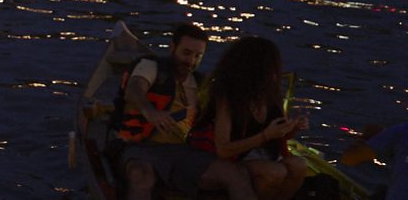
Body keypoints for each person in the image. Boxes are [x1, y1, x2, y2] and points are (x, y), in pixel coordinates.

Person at [110, 24, 256, 200]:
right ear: (172, 47)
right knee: (141, 176)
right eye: (186, 53)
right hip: (138, 147)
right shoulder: (151, 67)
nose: (191, 61)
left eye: (198, 56)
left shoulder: (200, 84)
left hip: (182, 152)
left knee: (236, 174)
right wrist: (150, 111)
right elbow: (134, 90)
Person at [187, 37, 308, 200]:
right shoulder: (228, 97)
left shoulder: (270, 95)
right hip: (233, 158)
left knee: (299, 165)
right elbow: (223, 150)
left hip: (264, 154)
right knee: (274, 172)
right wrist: (265, 136)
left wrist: (291, 129)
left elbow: (277, 138)